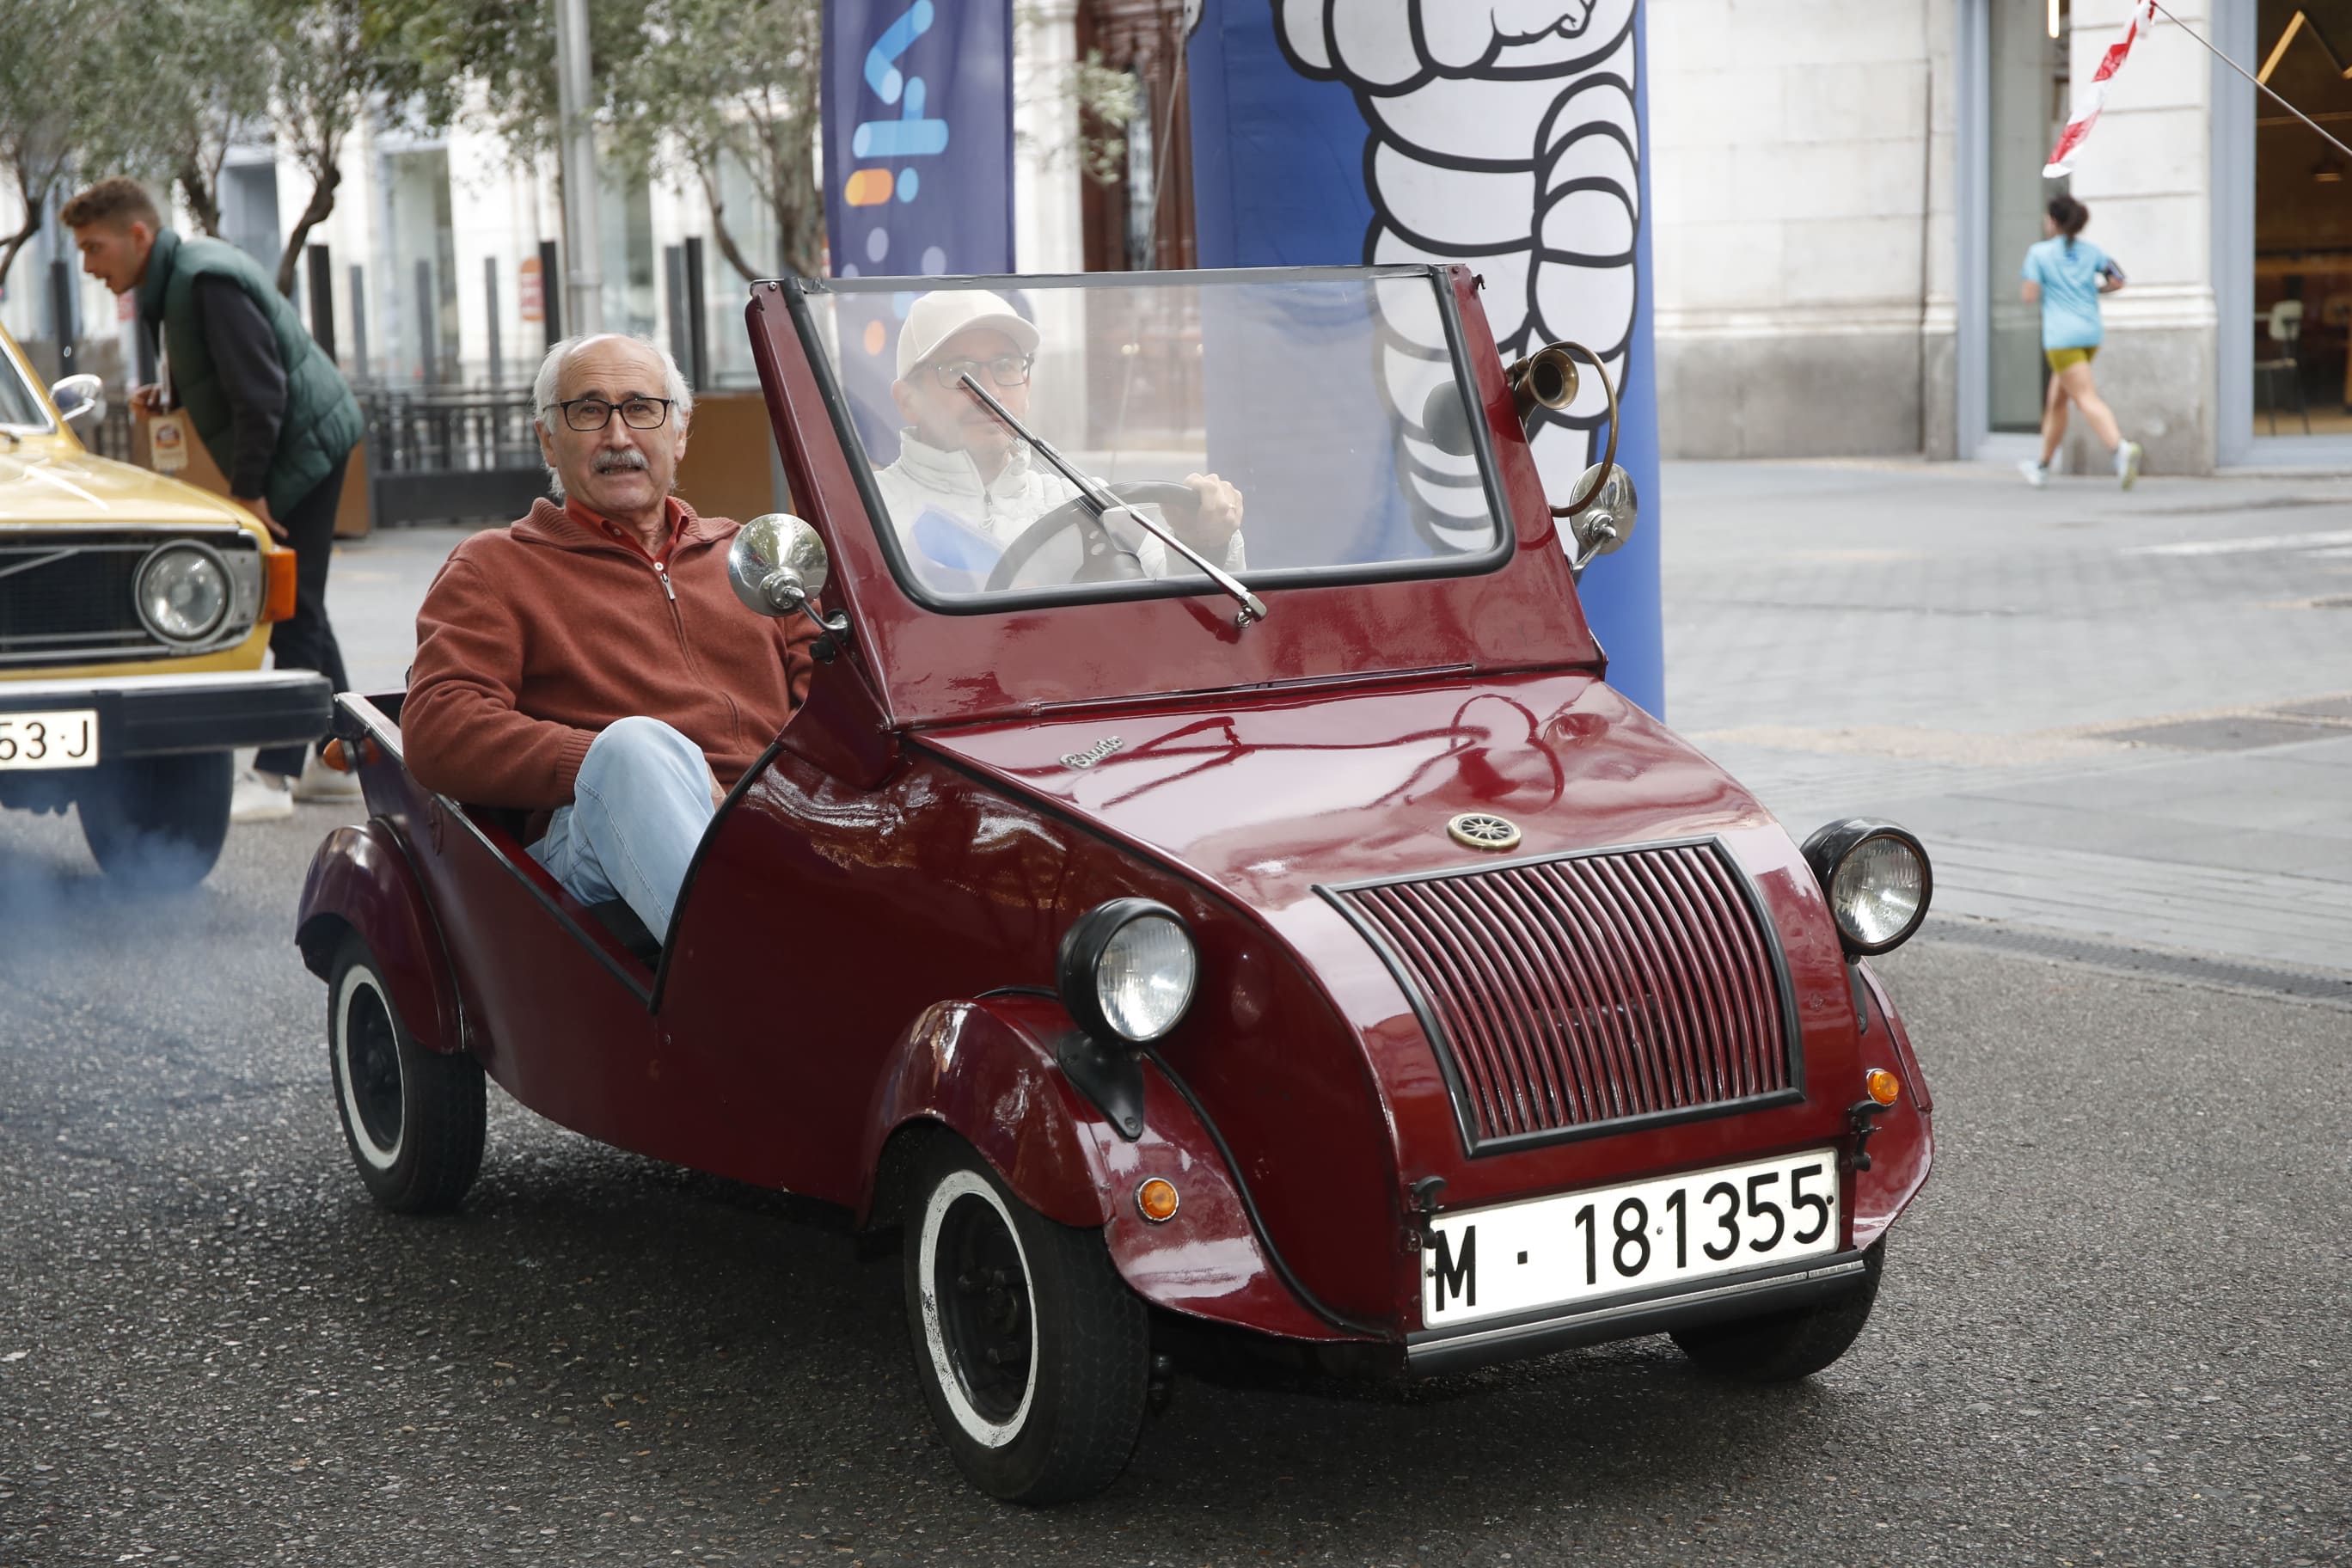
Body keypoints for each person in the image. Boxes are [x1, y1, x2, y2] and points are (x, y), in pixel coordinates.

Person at [401, 334, 820, 943]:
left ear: (679, 432)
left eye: (642, 408)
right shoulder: (494, 567)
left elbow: (833, 699)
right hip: (595, 853)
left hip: (768, 827)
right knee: (635, 750)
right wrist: (604, 761)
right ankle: (756, 984)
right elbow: (439, 727)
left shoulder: (752, 554)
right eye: (589, 411)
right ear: (548, 437)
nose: (618, 437)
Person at [63, 177, 366, 820]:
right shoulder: (178, 277)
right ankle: (346, 757)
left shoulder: (203, 280)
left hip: (302, 446)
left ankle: (275, 777)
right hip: (295, 442)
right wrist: (172, 394)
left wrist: (249, 494)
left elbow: (262, 397)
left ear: (138, 235)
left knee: (293, 607)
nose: (89, 265)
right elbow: (229, 370)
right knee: (299, 600)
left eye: (94, 247)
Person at [872, 290, 1246, 591]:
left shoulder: (1084, 499)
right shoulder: (867, 513)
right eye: (959, 372)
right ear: (908, 400)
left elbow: (1182, 623)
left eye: (1005, 366)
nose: (990, 392)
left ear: (1027, 385)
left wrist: (1203, 542)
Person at [2018, 194, 2141, 491]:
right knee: (2057, 402)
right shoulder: (2093, 252)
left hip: (2061, 337)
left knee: (2085, 398)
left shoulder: (2039, 253)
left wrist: (2050, 288)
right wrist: (2094, 291)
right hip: (2090, 333)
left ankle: (2119, 448)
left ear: (2054, 221)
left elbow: (2029, 295)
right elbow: (2118, 280)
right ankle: (2043, 466)